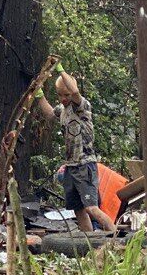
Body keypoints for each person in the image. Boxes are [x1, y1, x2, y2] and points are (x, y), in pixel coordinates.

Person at [34, 72, 116, 233]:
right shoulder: (63, 110)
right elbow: (50, 114)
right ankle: (89, 245)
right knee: (78, 209)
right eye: (60, 95)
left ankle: (116, 239)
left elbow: (76, 92)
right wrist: (39, 94)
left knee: (91, 208)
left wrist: (60, 70)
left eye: (66, 95)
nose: (63, 98)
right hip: (71, 166)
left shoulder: (81, 106)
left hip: (85, 164)